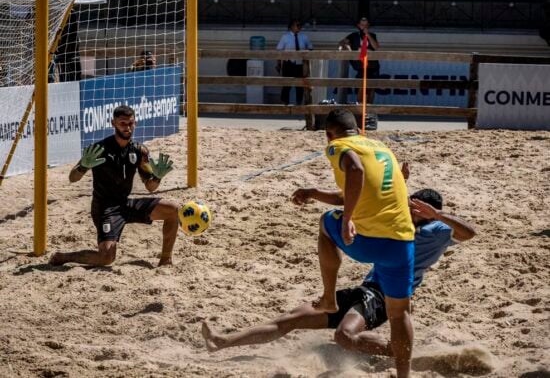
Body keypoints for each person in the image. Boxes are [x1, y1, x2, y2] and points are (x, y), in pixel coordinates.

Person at [202, 188, 475, 358]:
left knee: (344, 337)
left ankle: (399, 351)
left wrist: (437, 214)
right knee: (291, 318)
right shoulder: (397, 220)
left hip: (385, 296)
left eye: (413, 206)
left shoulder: (436, 231)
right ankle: (222, 342)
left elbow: (470, 233)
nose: (407, 208)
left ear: (422, 209)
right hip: (366, 289)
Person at [296, 108, 415, 377]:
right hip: (402, 241)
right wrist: (313, 192)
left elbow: (355, 169)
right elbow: (355, 190)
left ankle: (329, 298)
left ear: (329, 134)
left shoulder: (338, 146)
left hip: (368, 239)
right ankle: (404, 375)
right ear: (360, 129)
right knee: (400, 314)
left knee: (326, 224)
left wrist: (348, 217)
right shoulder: (381, 146)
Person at [49, 105, 179, 267]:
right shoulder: (100, 149)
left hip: (125, 203)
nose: (127, 127)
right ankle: (65, 257)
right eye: (123, 123)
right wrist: (82, 166)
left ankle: (165, 260)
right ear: (113, 123)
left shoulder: (139, 151)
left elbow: (150, 187)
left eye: (130, 123)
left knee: (174, 209)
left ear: (135, 123)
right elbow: (72, 178)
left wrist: (157, 177)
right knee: (107, 258)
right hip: (105, 208)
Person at [339, 17, 380, 104]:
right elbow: (341, 42)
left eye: (366, 25)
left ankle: (370, 110)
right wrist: (348, 46)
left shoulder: (372, 35)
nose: (364, 27)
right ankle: (360, 109)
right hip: (360, 66)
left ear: (368, 26)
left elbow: (376, 47)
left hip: (372, 66)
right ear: (358, 25)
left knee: (371, 88)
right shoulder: (354, 35)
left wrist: (368, 34)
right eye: (362, 25)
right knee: (361, 87)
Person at [276, 19, 313, 105]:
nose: (299, 27)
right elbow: (279, 50)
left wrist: (306, 55)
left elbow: (310, 47)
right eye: (297, 25)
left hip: (300, 64)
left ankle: (298, 102)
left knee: (299, 85)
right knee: (286, 85)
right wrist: (278, 63)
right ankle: (285, 103)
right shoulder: (285, 37)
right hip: (288, 63)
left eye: (300, 25)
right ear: (292, 26)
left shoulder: (304, 37)